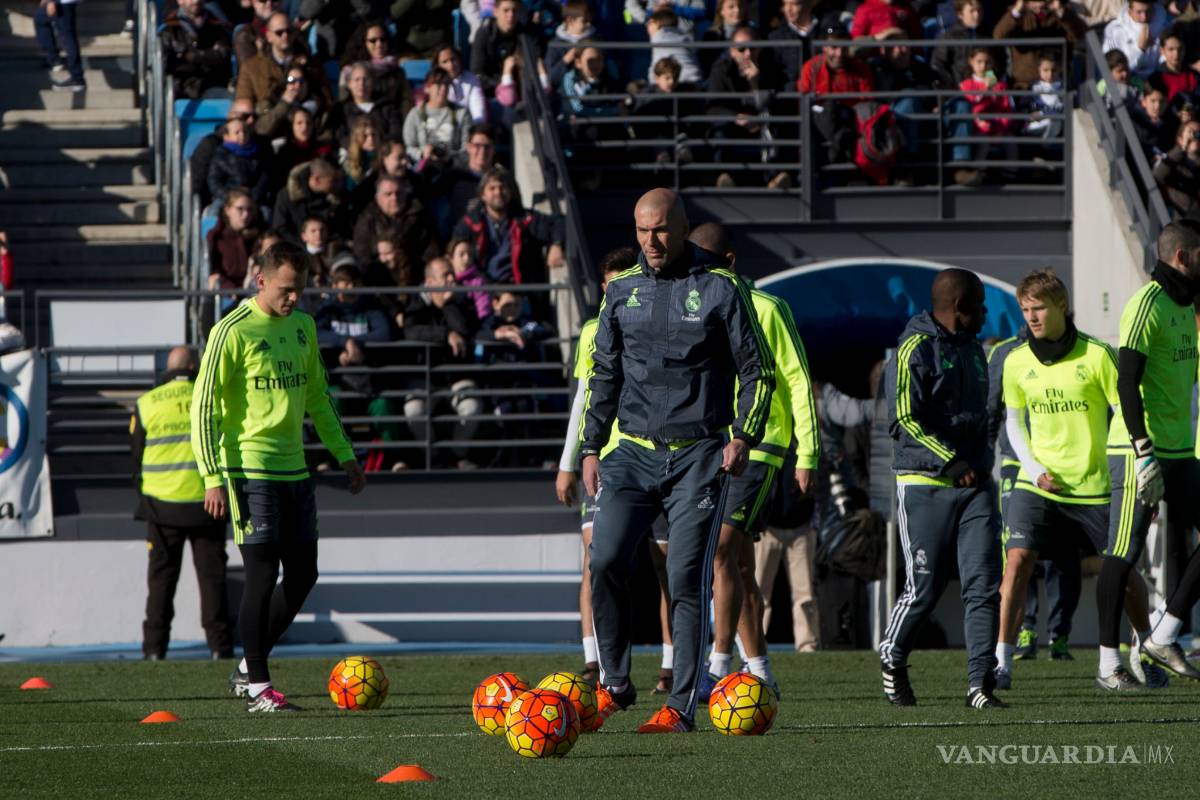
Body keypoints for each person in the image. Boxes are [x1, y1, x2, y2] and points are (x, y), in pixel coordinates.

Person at [580, 188, 774, 733]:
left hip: (699, 456)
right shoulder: (621, 290)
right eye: (642, 230)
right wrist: (591, 447)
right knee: (605, 560)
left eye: (661, 229)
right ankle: (614, 684)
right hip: (632, 453)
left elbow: (758, 371)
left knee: (687, 577)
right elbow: (604, 374)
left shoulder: (722, 288)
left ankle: (681, 704)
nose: (651, 241)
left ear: (683, 227)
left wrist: (744, 435)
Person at [192, 241, 366, 712]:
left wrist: (346, 455)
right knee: (263, 572)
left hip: (295, 468)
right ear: (261, 280)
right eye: (286, 289)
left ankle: (247, 667)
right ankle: (258, 688)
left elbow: (318, 397)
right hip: (249, 467)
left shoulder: (304, 326)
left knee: (304, 573)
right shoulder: (231, 331)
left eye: (300, 290)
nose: (293, 298)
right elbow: (204, 407)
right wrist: (211, 476)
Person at [993, 270, 1167, 691]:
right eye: (1025, 309)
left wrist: (1139, 472)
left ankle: (1145, 648)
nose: (1031, 317)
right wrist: (1034, 469)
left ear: (1062, 306)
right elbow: (1014, 422)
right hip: (1038, 483)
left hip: (1095, 486)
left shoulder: (1098, 355)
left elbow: (1127, 414)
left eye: (1039, 308)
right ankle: (1000, 662)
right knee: (1017, 561)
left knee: (1123, 570)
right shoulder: (1015, 361)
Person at [687, 222, 818, 698]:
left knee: (720, 550)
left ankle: (718, 666)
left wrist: (808, 453)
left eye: (703, 263)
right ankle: (760, 671)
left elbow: (798, 379)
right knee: (739, 565)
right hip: (711, 446)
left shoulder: (768, 308)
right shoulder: (696, 307)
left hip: (761, 446)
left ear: (729, 262)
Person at [879, 268, 1004, 710]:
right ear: (959, 306)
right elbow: (903, 420)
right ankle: (892, 656)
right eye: (981, 305)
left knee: (983, 585)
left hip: (975, 487)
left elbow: (984, 416)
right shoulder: (912, 349)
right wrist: (952, 461)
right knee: (925, 589)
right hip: (924, 484)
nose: (986, 314)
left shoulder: (973, 349)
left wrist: (980, 463)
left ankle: (980, 685)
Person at [1105, 221, 1200, 683]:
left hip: (1180, 451)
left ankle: (1163, 633)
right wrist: (1142, 450)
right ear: (1182, 256)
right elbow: (1127, 381)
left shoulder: (1185, 305)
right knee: (1122, 555)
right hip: (1144, 451)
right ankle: (1108, 663)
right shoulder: (1147, 304)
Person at [133, 346, 234, 661]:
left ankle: (154, 648)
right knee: (212, 579)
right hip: (208, 504)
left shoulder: (147, 402)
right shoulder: (214, 398)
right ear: (193, 366)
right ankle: (220, 647)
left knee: (161, 580)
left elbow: (136, 454)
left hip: (161, 506)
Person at [987, 327, 1080, 663]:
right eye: (1029, 308)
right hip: (1016, 464)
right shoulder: (1004, 352)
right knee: (1016, 549)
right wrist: (983, 460)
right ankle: (1024, 628)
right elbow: (990, 408)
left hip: (1064, 467)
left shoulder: (1079, 348)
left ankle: (1059, 633)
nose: (1036, 316)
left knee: (1063, 554)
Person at [451, 166, 565, 291]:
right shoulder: (469, 224)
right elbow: (454, 254)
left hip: (521, 293)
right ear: (483, 195)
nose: (498, 192)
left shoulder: (525, 220)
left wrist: (556, 245)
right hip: (482, 292)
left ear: (510, 192)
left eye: (502, 187)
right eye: (492, 188)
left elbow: (559, 222)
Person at [352, 174, 439, 277]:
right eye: (388, 194)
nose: (394, 198)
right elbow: (362, 254)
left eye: (398, 193)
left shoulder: (420, 216)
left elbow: (431, 249)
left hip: (415, 276)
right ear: (377, 198)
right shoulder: (367, 219)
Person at [993, 0, 1086, 90]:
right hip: (1024, 86)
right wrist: (1016, 12)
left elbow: (1080, 35)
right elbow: (998, 36)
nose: (1038, 5)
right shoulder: (1018, 14)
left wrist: (1061, 11)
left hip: (1057, 84)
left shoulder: (1060, 13)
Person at [160, 0, 234, 100]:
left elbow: (224, 56)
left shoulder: (218, 27)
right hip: (180, 91)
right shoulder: (169, 31)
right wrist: (209, 55)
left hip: (211, 86)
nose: (196, 1)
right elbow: (167, 67)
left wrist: (190, 56)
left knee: (229, 100)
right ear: (180, 1)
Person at [402, 68, 472, 166]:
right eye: (438, 84)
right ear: (427, 88)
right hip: (423, 167)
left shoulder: (461, 114)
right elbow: (408, 147)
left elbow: (467, 148)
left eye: (446, 84)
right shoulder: (416, 114)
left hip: (452, 168)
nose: (443, 88)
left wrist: (449, 157)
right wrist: (422, 154)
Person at [236, 12, 305, 107]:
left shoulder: (307, 63)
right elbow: (243, 105)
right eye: (279, 32)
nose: (285, 35)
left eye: (288, 31)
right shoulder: (251, 68)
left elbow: (322, 96)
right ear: (269, 36)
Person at [273, 158, 346, 242]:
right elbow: (281, 228)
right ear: (317, 180)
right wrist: (302, 246)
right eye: (333, 181)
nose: (338, 185)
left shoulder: (336, 198)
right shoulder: (287, 196)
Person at [207, 117, 271, 208]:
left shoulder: (258, 154)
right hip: (227, 198)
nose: (242, 134)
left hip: (253, 198)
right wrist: (229, 197)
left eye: (245, 131)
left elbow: (264, 177)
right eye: (237, 132)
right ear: (227, 136)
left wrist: (254, 196)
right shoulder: (221, 156)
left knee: (266, 212)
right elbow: (214, 181)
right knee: (214, 212)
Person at [1103, 0, 1173, 80]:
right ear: (1130, 11)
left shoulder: (1165, 26)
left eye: (1148, 11)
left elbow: (1168, 61)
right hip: (1127, 81)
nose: (1144, 17)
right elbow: (1112, 68)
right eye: (1139, 12)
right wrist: (1140, 50)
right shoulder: (1114, 30)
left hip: (1159, 78)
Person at [207, 189, 261, 290]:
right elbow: (215, 273)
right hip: (227, 292)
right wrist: (233, 291)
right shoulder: (215, 237)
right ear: (227, 210)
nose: (246, 214)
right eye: (240, 209)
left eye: (249, 209)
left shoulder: (259, 236)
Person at [470, 0, 527, 93]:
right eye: (506, 10)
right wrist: (501, 85)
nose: (511, 15)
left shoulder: (524, 35)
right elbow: (477, 73)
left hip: (520, 89)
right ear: (495, 12)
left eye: (514, 10)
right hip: (492, 90)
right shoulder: (484, 34)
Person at [35, 0, 85, 93]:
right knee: (41, 19)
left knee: (68, 36)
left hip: (62, 2)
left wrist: (51, 1)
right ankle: (54, 59)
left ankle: (77, 78)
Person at [646, 7, 704, 86]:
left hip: (679, 82)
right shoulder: (685, 38)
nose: (647, 27)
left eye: (650, 23)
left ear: (657, 24)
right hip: (696, 80)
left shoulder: (658, 38)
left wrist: (652, 85)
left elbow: (655, 71)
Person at [1153, 119, 1200, 214]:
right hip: (1178, 214)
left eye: (1198, 133)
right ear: (1180, 139)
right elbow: (1158, 175)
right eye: (1190, 132)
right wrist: (1182, 148)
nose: (1195, 136)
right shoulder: (1173, 160)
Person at [434, 45, 489, 124]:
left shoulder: (471, 79)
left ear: (459, 59)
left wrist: (478, 127)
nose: (451, 65)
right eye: (445, 62)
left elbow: (478, 107)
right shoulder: (434, 83)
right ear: (438, 65)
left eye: (453, 59)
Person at [547, 0, 597, 86]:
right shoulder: (555, 45)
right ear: (569, 20)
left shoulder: (595, 40)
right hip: (564, 93)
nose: (589, 24)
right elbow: (551, 78)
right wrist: (567, 59)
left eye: (590, 20)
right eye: (584, 21)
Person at [768, 0, 818, 86]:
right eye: (785, 4)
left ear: (809, 3)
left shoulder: (826, 30)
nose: (788, 9)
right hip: (791, 92)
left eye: (795, 4)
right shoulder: (775, 37)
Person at [447, 236, 491, 321]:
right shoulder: (443, 280)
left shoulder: (478, 282)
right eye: (461, 254)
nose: (466, 258)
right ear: (451, 258)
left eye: (470, 254)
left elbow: (484, 311)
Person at [1152, 29, 1200, 102]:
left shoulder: (1194, 75)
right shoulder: (1156, 79)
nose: (1176, 54)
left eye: (1180, 49)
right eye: (1171, 49)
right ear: (1162, 51)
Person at [851, 0, 922, 39]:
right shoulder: (865, 9)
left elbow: (916, 35)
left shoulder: (906, 8)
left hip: (903, 55)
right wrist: (880, 37)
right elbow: (856, 40)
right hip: (875, 56)